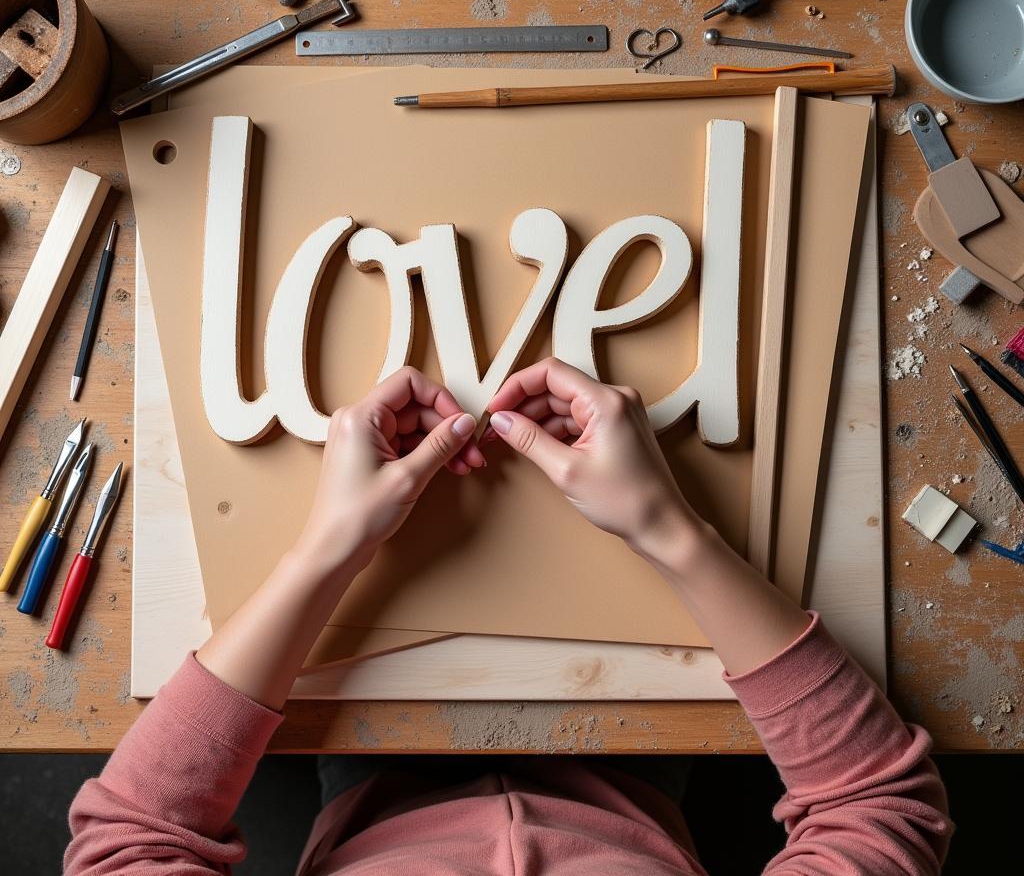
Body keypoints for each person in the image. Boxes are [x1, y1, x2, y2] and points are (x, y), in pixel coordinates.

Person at [65, 360, 951, 874]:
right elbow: (879, 807)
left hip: (374, 790)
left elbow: (129, 840)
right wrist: (669, 531)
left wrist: (327, 552)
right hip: (634, 779)